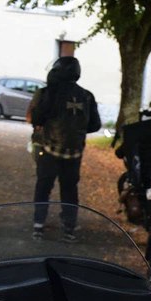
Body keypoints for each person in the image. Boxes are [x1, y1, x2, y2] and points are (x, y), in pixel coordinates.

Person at [26, 55, 100, 241]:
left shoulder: (49, 92)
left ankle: (38, 224)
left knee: (44, 185)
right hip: (74, 151)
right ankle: (69, 227)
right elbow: (95, 125)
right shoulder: (87, 96)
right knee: (69, 189)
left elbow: (36, 119)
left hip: (49, 148)